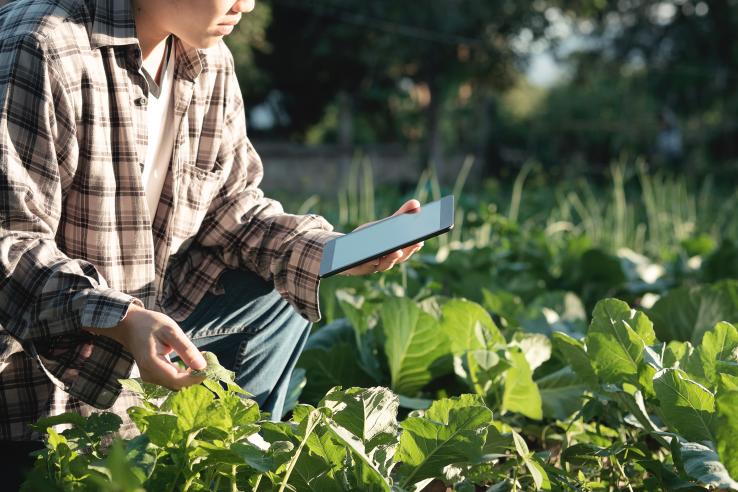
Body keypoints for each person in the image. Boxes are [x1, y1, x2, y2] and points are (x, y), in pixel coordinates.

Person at [0, 0, 423, 485]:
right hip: (34, 383)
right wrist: (122, 318)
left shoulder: (209, 59)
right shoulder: (40, 46)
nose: (247, 3)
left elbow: (233, 209)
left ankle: (222, 463)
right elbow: (9, 244)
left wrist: (334, 251)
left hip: (140, 337)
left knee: (280, 296)